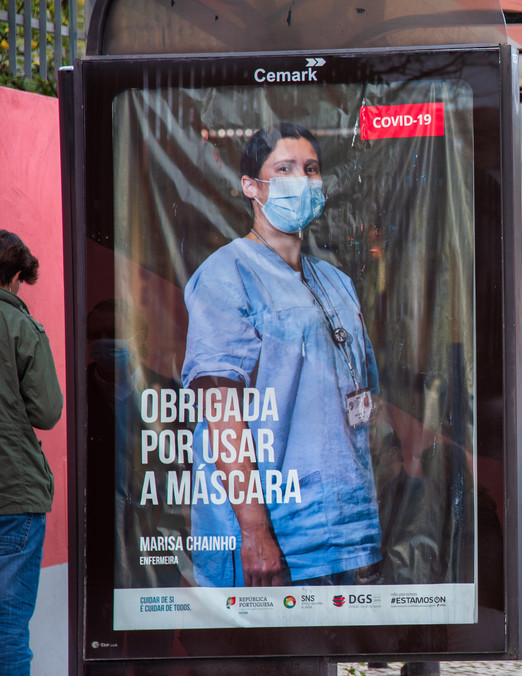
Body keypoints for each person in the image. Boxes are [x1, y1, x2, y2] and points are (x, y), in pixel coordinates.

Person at [181, 123, 382, 587]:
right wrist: (254, 532)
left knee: (332, 660)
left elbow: (365, 399)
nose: (302, 180)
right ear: (251, 187)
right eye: (284, 168)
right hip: (281, 534)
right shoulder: (226, 274)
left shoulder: (336, 282)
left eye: (310, 169)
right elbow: (221, 416)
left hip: (349, 530)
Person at [0, 230, 64, 674]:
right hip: (13, 497)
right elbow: (47, 411)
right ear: (17, 276)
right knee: (7, 630)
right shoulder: (20, 326)